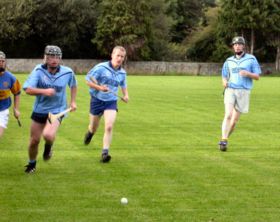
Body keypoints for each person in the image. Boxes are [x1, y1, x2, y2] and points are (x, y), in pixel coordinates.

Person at [23, 45, 77, 173]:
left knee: (48, 134)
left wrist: (73, 101)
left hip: (57, 110)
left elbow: (73, 85)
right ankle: (32, 164)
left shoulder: (68, 72)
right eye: (51, 56)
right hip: (39, 109)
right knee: (34, 141)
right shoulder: (38, 71)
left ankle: (48, 147)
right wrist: (45, 91)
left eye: (57, 57)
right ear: (45, 58)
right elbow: (27, 89)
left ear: (60, 59)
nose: (54, 59)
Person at [84, 46, 129, 163]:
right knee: (93, 127)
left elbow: (123, 84)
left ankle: (105, 153)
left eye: (122, 56)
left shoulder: (122, 73)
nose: (119, 58)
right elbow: (88, 80)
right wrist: (99, 87)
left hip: (111, 101)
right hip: (96, 100)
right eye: (118, 55)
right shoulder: (100, 68)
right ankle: (90, 133)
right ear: (112, 55)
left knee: (109, 126)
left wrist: (125, 95)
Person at [219, 36, 261, 151]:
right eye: (235, 44)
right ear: (233, 47)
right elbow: (224, 75)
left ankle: (225, 138)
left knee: (234, 121)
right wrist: (224, 82)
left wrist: (248, 73)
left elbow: (257, 76)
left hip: (244, 91)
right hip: (230, 90)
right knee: (228, 115)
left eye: (239, 44)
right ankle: (223, 140)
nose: (237, 46)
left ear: (243, 46)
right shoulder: (229, 61)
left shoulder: (251, 59)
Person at [0, 51, 21, 138]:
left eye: (3, 61)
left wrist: (16, 109)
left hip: (2, 110)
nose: (1, 63)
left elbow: (17, 93)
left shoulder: (11, 78)